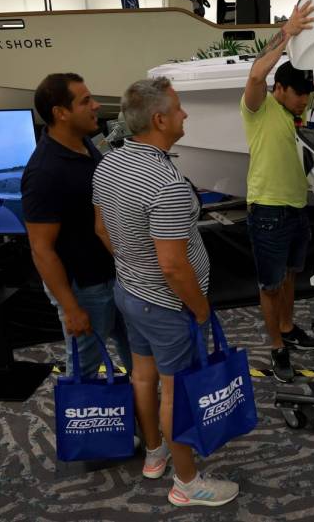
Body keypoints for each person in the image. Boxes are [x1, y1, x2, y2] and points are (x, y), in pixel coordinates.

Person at [93, 77, 238, 508]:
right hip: (168, 305)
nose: (185, 114)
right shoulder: (166, 183)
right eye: (178, 108)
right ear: (159, 119)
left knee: (143, 375)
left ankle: (155, 455)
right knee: (176, 391)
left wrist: (133, 265)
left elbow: (102, 228)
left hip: (129, 291)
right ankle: (187, 483)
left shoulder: (108, 164)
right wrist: (199, 308)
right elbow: (174, 266)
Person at [241, 0, 314, 383]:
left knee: (288, 276)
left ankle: (287, 327)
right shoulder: (259, 107)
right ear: (279, 89)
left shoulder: (298, 104)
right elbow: (255, 75)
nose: (305, 99)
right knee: (270, 284)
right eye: (297, 93)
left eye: (306, 93)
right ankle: (276, 348)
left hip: (296, 208)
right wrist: (289, 32)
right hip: (267, 210)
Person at [22, 73, 132, 382]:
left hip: (116, 274)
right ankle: (84, 430)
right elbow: (41, 249)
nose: (96, 105)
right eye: (85, 101)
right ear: (61, 113)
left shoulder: (86, 143)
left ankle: (144, 426)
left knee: (140, 356)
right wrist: (70, 308)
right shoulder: (44, 172)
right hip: (85, 289)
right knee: (84, 374)